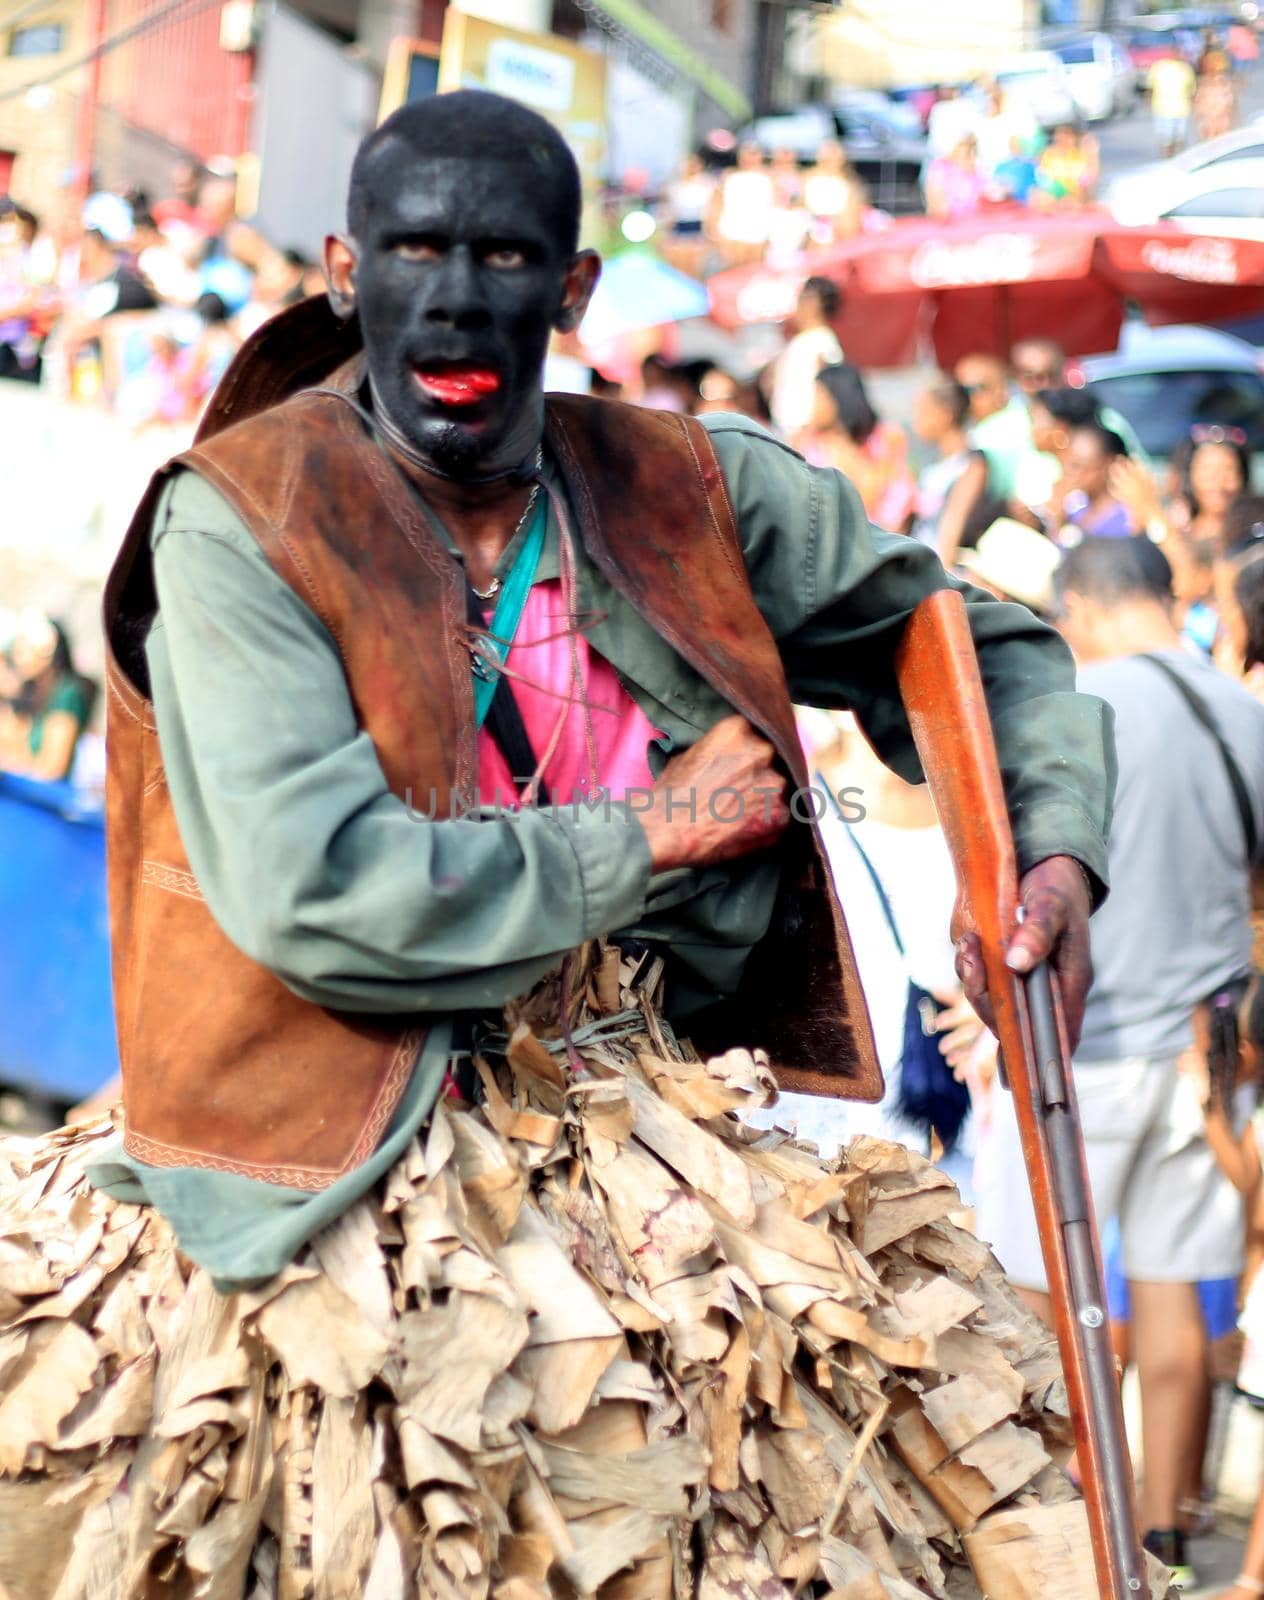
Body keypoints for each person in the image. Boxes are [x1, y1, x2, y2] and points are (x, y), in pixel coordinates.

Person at [5, 90, 1115, 1588]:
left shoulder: (684, 484)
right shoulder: (245, 520)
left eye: (505, 258)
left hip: (644, 1124)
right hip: (310, 1147)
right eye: (414, 250)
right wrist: (658, 828)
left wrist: (1042, 851)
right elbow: (321, 889)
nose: (457, 299)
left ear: (574, 286)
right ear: (344, 269)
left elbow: (969, 644)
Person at [977, 536, 1264, 1588]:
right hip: (1209, 1056)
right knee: (1173, 1289)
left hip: (1083, 1053)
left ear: (1078, 609)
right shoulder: (1242, 707)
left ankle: (1067, 1538)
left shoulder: (1074, 710)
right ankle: (1165, 1538)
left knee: (1042, 1300)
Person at [796, 362, 916, 530]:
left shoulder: (885, 437)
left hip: (882, 539)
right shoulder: (807, 442)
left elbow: (900, 495)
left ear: (839, 397)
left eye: (819, 396)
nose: (813, 406)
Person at [0, 612, 92, 781]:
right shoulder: (29, 692)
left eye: (24, 652)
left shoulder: (67, 693)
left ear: (46, 652)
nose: (18, 659)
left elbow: (52, 768)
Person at [909, 374, 989, 560]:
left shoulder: (972, 466)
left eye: (922, 412)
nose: (915, 421)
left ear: (945, 415)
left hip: (938, 570)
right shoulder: (932, 462)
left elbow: (951, 529)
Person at [955, 351, 1042, 503]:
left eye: (974, 389)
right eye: (961, 391)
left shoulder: (992, 430)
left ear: (1002, 391)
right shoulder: (1023, 415)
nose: (965, 399)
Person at [768, 274, 843, 438]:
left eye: (801, 299)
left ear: (814, 303)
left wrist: (806, 434)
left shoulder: (822, 341)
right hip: (789, 432)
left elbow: (827, 390)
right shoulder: (803, 339)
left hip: (806, 435)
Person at [1058, 422, 1139, 541]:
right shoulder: (1075, 507)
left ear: (1108, 465)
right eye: (1066, 463)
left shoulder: (1128, 522)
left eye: (1077, 466)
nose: (1068, 472)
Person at [710, 141, 775, 266]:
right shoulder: (729, 176)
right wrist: (715, 231)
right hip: (732, 232)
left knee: (753, 270)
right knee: (733, 269)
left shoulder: (769, 177)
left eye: (754, 154)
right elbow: (717, 203)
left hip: (758, 232)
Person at [660, 151, 714, 276]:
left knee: (695, 266)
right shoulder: (675, 187)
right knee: (678, 266)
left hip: (697, 226)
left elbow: (711, 210)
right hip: (680, 226)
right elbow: (669, 210)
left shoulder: (706, 185)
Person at [803, 138, 865, 244]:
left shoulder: (850, 181)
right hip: (815, 223)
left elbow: (854, 209)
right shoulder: (807, 177)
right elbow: (801, 204)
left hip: (841, 226)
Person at [1033, 123, 1099, 207]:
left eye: (1067, 135)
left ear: (1074, 138)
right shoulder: (1049, 154)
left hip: (1074, 196)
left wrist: (1093, 156)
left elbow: (1088, 179)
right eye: (1060, 135)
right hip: (1053, 195)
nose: (1063, 139)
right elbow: (1042, 177)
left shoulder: (1079, 156)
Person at [925, 134, 987, 222]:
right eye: (968, 152)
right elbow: (937, 204)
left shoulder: (978, 173)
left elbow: (987, 197)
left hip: (974, 224)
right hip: (946, 225)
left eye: (974, 151)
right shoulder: (940, 168)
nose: (973, 158)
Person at [1150, 47, 1198, 157]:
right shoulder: (1159, 67)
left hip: (1180, 109)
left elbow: (1191, 89)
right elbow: (1151, 87)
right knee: (1166, 140)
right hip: (1163, 108)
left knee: (1179, 138)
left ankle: (1177, 159)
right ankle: (1168, 159)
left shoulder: (1184, 68)